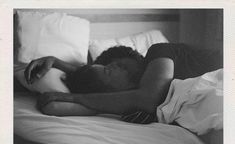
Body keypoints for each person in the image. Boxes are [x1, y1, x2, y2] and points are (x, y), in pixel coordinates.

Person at [25, 43, 222, 120]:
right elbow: (98, 77)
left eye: (117, 63)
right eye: (111, 68)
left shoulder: (158, 52)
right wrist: (56, 62)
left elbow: (149, 97)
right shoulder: (130, 96)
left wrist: (71, 95)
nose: (116, 66)